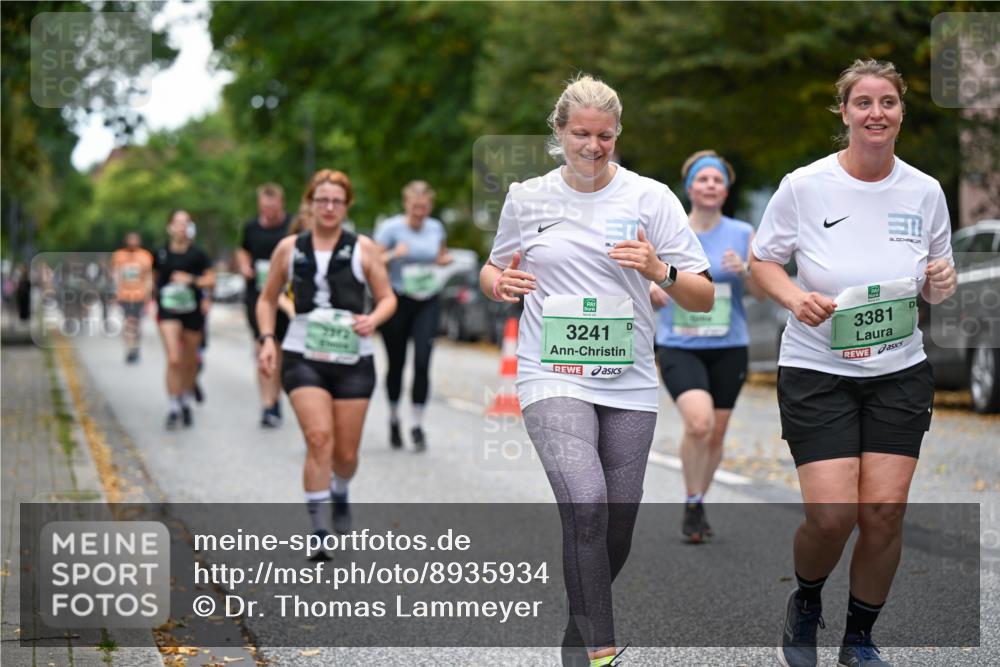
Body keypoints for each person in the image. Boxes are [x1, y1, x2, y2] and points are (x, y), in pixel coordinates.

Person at [480, 75, 713, 667]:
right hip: (551, 371)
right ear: (558, 133)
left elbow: (703, 296)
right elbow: (492, 267)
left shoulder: (650, 198)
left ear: (617, 134)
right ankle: (601, 651)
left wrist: (660, 269)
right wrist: (500, 283)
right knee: (586, 502)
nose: (592, 146)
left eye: (604, 135)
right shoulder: (527, 197)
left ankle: (577, 633)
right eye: (580, 134)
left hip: (629, 376)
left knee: (617, 522)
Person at [749, 60, 957, 667]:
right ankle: (807, 601)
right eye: (862, 102)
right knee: (833, 514)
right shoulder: (805, 186)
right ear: (843, 112)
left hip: (898, 367)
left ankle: (859, 638)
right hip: (818, 369)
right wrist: (795, 298)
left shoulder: (925, 190)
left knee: (884, 513)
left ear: (900, 112)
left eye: (887, 102)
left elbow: (936, 283)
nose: (876, 112)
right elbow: (763, 262)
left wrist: (942, 280)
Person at [257, 169, 396, 551]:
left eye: (337, 200)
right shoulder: (289, 248)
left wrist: (374, 318)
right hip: (303, 355)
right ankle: (318, 531)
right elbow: (267, 299)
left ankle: (340, 488)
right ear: (310, 204)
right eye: (322, 200)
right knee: (319, 439)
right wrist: (269, 338)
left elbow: (387, 297)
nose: (329, 207)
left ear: (346, 205)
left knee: (345, 454)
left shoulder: (363, 247)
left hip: (354, 358)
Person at [651, 151, 766, 543]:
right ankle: (690, 496)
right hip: (678, 343)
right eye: (703, 179)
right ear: (689, 187)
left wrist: (745, 272)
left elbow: (761, 293)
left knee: (715, 433)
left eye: (717, 180)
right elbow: (645, 277)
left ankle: (697, 500)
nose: (710, 185)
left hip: (729, 344)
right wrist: (654, 287)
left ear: (726, 189)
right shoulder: (670, 230)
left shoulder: (742, 232)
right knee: (698, 422)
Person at [374, 181, 452, 452]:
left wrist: (443, 260)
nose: (420, 212)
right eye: (415, 207)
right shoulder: (391, 228)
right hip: (397, 300)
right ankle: (394, 418)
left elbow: (441, 255)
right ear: (406, 204)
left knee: (422, 362)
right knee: (396, 364)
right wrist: (395, 253)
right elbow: (372, 260)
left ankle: (417, 425)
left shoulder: (435, 227)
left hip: (427, 300)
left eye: (425, 207)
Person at [236, 183, 293, 427]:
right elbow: (242, 250)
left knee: (280, 352)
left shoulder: (292, 225)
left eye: (273, 207)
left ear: (281, 204)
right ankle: (267, 404)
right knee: (264, 348)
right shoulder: (251, 227)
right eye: (264, 207)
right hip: (259, 297)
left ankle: (276, 398)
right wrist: (244, 265)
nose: (268, 212)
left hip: (287, 296)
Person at [154, 210, 214, 429]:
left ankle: (185, 400)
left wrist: (191, 280)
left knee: (189, 362)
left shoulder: (198, 254)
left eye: (185, 223)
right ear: (169, 227)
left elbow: (210, 280)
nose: (181, 227)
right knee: (173, 359)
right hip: (168, 310)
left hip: (192, 311)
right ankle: (173, 406)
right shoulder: (160, 253)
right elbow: (151, 279)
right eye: (177, 223)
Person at [110, 232, 154, 363]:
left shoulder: (145, 256)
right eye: (130, 240)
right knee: (128, 321)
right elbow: (115, 275)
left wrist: (148, 295)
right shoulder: (118, 256)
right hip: (124, 295)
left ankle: (136, 347)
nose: (132, 242)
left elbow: (148, 277)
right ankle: (129, 348)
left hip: (139, 295)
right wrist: (115, 293)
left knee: (137, 322)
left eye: (135, 240)